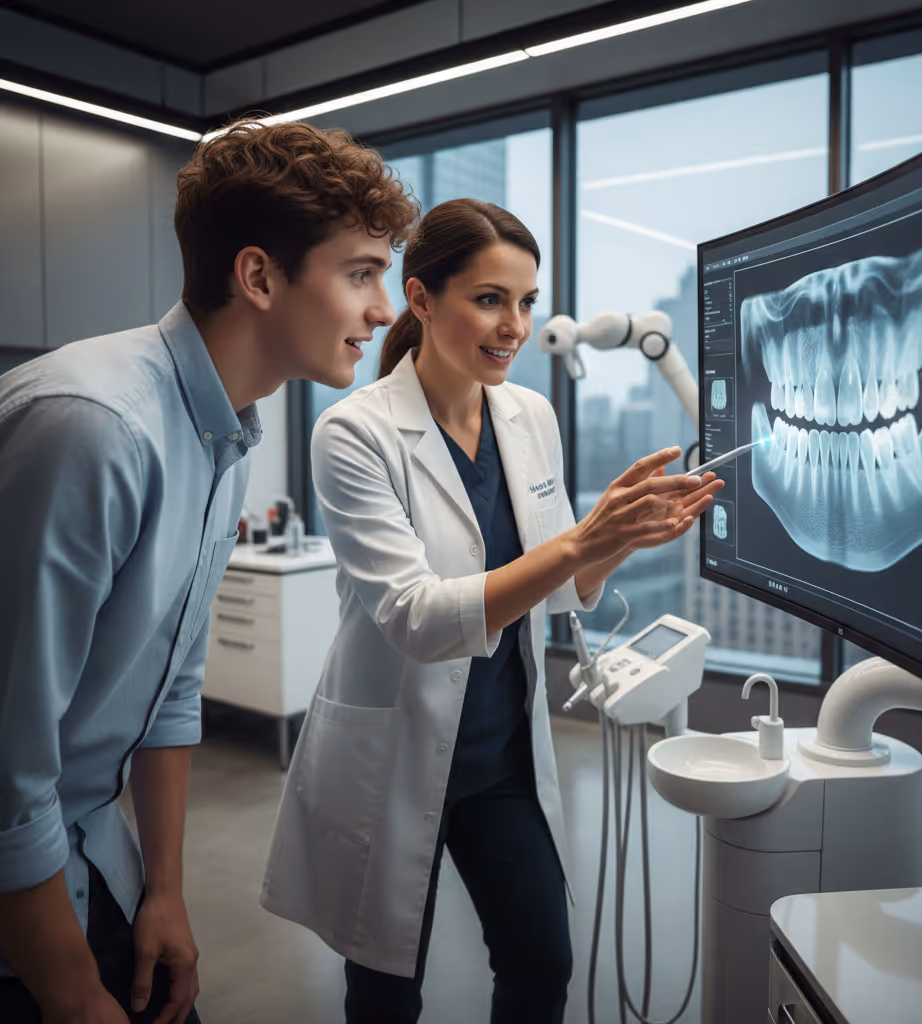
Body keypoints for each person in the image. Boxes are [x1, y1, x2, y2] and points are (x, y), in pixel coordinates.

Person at [260, 198, 723, 1023]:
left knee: (543, 962)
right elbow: (418, 618)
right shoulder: (354, 435)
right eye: (488, 299)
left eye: (525, 302)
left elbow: (563, 585)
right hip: (392, 753)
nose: (513, 325)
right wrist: (582, 542)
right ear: (422, 299)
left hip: (501, 754)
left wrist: (622, 536)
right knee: (385, 992)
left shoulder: (529, 416)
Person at [0, 120, 418, 1024]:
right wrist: (70, 992)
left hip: (93, 854)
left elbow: (170, 691)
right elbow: (6, 762)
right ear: (260, 276)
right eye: (361, 273)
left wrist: (166, 891)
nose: (385, 311)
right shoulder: (95, 428)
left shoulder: (226, 432)